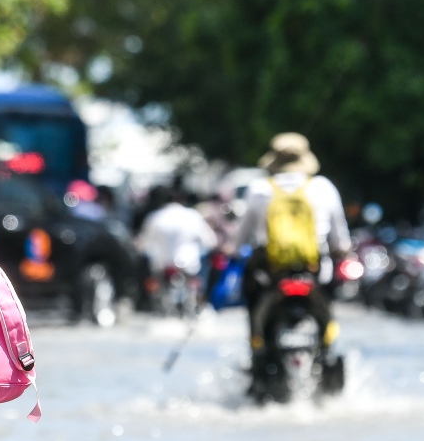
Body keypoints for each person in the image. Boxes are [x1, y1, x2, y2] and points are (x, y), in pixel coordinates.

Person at [233, 133, 351, 363]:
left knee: (252, 300)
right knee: (329, 305)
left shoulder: (259, 189)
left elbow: (240, 240)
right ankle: (327, 351)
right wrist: (341, 251)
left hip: (269, 272)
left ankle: (257, 350)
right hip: (315, 270)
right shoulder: (323, 187)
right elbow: (341, 242)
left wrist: (232, 251)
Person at [137, 187, 216, 282]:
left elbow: (142, 245)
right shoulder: (193, 216)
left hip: (162, 266)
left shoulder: (155, 217)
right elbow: (210, 241)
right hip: (189, 266)